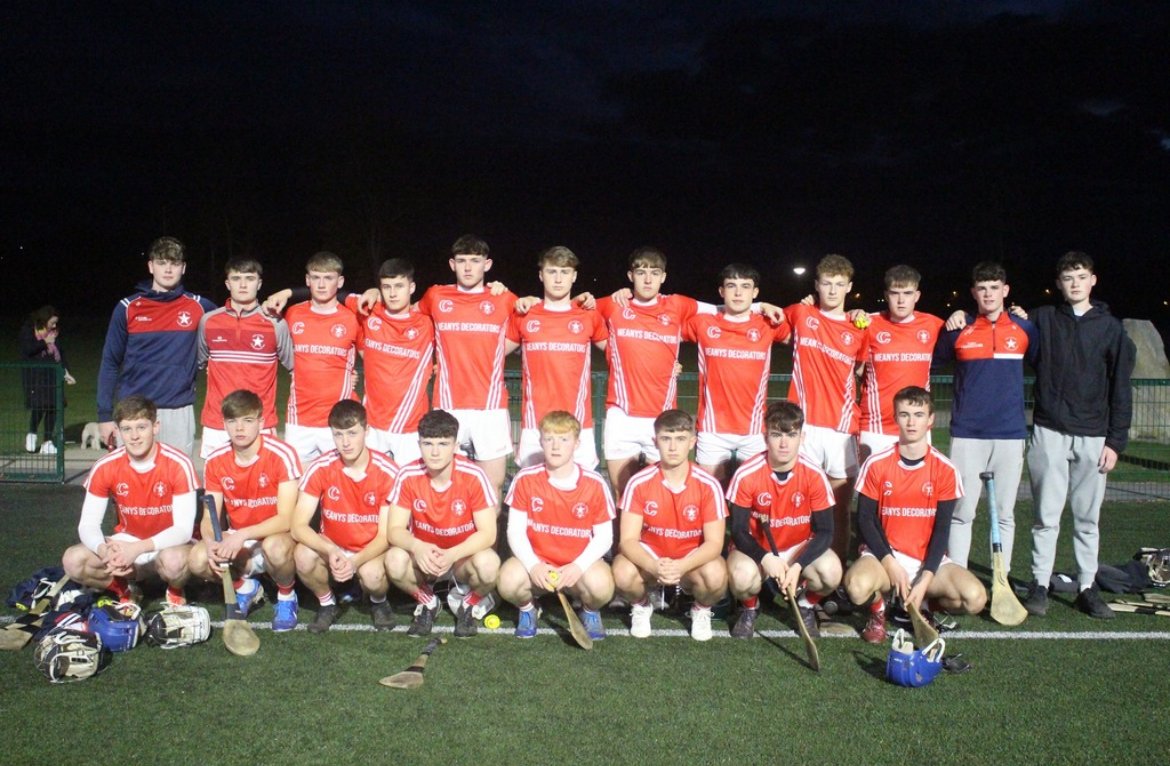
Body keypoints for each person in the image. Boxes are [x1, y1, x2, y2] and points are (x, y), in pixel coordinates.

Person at [1023, 252, 1135, 619]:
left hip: (1093, 435)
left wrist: (1115, 441)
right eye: (1068, 278)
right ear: (1059, 283)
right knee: (1046, 516)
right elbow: (1006, 327)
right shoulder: (1043, 319)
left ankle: (1087, 587)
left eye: (1081, 276)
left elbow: (1121, 388)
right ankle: (1039, 584)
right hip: (1049, 431)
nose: (1075, 283)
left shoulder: (1111, 328)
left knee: (1087, 519)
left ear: (1093, 280)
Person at [844, 386, 987, 643]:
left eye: (919, 415)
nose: (911, 422)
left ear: (930, 419)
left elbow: (942, 529)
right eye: (905, 414)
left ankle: (923, 607)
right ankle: (879, 610)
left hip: (926, 561)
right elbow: (865, 520)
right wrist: (891, 563)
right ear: (895, 418)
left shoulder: (945, 469)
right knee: (856, 587)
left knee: (975, 598)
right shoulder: (876, 464)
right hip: (885, 558)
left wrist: (925, 577)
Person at [934, 261, 1038, 576]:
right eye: (982, 288)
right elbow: (928, 365)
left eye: (994, 288)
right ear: (973, 292)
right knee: (962, 512)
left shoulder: (1024, 329)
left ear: (1005, 291)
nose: (989, 294)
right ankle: (958, 579)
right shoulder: (958, 329)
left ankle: (1001, 579)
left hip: (1010, 434)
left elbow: (1046, 366)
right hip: (967, 434)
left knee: (1004, 514)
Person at [61, 395, 197, 606]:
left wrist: (137, 549)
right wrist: (104, 550)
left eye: (141, 427)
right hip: (128, 541)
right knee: (73, 560)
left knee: (174, 562)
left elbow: (183, 530)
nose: (134, 436)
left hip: (168, 544)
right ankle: (124, 590)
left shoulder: (178, 463)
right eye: (126, 429)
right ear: (117, 431)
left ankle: (175, 588)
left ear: (155, 427)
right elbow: (88, 524)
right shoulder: (105, 466)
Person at [594, 247, 706, 497]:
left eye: (654, 273)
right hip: (622, 416)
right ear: (630, 276)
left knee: (664, 492)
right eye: (641, 272)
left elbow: (720, 310)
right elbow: (569, 309)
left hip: (662, 417)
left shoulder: (676, 305)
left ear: (663, 277)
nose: (647, 279)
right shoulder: (614, 304)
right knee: (623, 493)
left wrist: (760, 306)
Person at [189, 390, 303, 631]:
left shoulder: (282, 454)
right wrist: (210, 542)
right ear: (224, 424)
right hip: (240, 539)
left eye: (247, 420)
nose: (239, 428)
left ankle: (286, 595)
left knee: (275, 547)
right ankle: (246, 587)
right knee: (198, 559)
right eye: (232, 421)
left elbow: (286, 519)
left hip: (275, 536)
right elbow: (209, 516)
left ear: (261, 422)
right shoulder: (216, 459)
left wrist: (242, 535)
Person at [726, 401, 840, 639]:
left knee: (831, 572)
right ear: (765, 437)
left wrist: (798, 565)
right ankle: (750, 607)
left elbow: (826, 531)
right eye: (777, 435)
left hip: (797, 547)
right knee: (741, 576)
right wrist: (766, 558)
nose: (784, 443)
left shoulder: (814, 474)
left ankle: (806, 605)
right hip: (757, 549)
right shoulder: (747, 474)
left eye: (791, 435)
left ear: (802, 437)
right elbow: (738, 530)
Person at [416, 235, 518, 498]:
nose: (468, 267)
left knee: (491, 488)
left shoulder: (504, 298)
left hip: (490, 408)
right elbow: (403, 313)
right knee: (445, 486)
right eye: (462, 261)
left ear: (487, 264)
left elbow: (537, 318)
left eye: (475, 260)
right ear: (452, 264)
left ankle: (487, 529)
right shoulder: (436, 296)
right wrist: (372, 294)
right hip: (448, 404)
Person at [499, 411, 616, 639]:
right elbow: (515, 531)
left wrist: (577, 566)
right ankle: (528, 608)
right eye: (549, 438)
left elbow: (604, 537)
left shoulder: (594, 483)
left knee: (602, 586)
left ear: (576, 443)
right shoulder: (525, 478)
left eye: (563, 439)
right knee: (508, 581)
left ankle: (589, 611)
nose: (555, 446)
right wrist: (534, 565)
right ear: (541, 441)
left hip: (577, 569)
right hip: (539, 566)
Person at [613, 409, 728, 641]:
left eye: (680, 439)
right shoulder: (639, 482)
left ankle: (700, 609)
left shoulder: (709, 485)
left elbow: (715, 543)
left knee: (716, 575)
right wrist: (653, 566)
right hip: (652, 556)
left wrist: (682, 566)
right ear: (655, 442)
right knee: (622, 572)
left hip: (690, 557)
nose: (673, 447)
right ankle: (641, 605)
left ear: (692, 442)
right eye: (666, 439)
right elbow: (627, 540)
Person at [97, 237, 217, 456]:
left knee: (178, 475)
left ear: (183, 268)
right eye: (162, 263)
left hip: (178, 409)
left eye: (174, 263)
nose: (168, 269)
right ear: (151, 266)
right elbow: (110, 363)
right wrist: (104, 415)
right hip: (134, 411)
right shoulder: (127, 308)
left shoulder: (200, 307)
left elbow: (232, 323)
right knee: (134, 476)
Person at [385, 410, 500, 638]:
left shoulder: (474, 475)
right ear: (419, 444)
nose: (435, 452)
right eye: (428, 444)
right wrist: (418, 547)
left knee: (489, 564)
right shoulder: (407, 475)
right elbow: (394, 531)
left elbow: (488, 534)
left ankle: (469, 604)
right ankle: (428, 602)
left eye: (443, 444)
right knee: (394, 560)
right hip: (424, 558)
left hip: (461, 559)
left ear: (455, 446)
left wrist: (452, 554)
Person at [783, 254, 866, 559]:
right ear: (816, 285)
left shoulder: (860, 327)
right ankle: (799, 569)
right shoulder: (800, 313)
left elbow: (862, 370)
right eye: (827, 283)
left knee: (839, 508)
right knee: (798, 504)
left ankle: (836, 571)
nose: (832, 290)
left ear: (849, 287)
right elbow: (763, 320)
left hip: (841, 430)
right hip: (803, 427)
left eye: (839, 284)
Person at [291, 400, 398, 634]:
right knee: (303, 555)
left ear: (366, 431)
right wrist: (330, 550)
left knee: (372, 575)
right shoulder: (321, 466)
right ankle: (327, 602)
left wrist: (354, 562)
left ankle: (378, 601)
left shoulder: (387, 471)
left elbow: (385, 536)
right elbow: (298, 526)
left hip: (371, 549)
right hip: (333, 546)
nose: (345, 442)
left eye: (352, 433)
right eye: (338, 434)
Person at [684, 264, 790, 486]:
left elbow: (809, 335)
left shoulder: (769, 324)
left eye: (745, 287)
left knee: (754, 497)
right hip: (712, 430)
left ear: (755, 292)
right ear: (721, 291)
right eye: (732, 286)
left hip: (754, 430)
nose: (739, 293)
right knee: (712, 496)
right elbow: (661, 332)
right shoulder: (703, 323)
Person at [506, 245, 608, 469]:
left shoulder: (588, 315)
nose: (559, 279)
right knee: (533, 485)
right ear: (541, 275)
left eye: (565, 272)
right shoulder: (525, 314)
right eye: (552, 272)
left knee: (581, 484)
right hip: (534, 423)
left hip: (578, 422)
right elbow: (491, 353)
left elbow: (620, 354)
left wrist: (669, 364)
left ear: (574, 276)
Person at [197, 257, 294, 459]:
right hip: (218, 423)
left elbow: (295, 368)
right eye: (236, 278)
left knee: (263, 480)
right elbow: (198, 364)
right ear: (227, 283)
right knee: (215, 480)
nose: (242, 285)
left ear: (259, 283)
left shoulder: (275, 323)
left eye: (249, 278)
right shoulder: (209, 321)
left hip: (260, 422)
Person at [857, 265, 945, 461]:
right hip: (875, 427)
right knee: (871, 481)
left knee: (916, 480)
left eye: (907, 293)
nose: (901, 300)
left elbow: (967, 334)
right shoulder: (869, 323)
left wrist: (960, 314)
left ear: (917, 295)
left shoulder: (934, 325)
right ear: (886, 295)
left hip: (917, 427)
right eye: (895, 293)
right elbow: (856, 366)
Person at [354, 258, 435, 466]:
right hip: (372, 424)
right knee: (371, 483)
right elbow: (334, 295)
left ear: (412, 287)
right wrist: (289, 293)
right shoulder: (369, 312)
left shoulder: (427, 323)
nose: (392, 293)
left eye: (399, 286)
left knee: (409, 483)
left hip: (410, 427)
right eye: (386, 287)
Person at [284, 252, 362, 464]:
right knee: (296, 479)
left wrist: (353, 375)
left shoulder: (352, 318)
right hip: (298, 419)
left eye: (328, 278)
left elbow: (373, 358)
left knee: (341, 479)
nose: (321, 284)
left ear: (340, 281)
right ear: (307, 280)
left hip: (339, 419)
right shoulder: (293, 314)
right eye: (316, 277)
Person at [19, 305, 75, 454]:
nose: (54, 326)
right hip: (36, 376)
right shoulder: (29, 330)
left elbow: (60, 353)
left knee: (54, 407)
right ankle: (32, 434)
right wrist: (45, 342)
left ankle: (47, 442)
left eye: (56, 323)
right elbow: (28, 350)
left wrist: (66, 372)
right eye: (52, 322)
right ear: (44, 320)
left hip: (53, 375)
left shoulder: (54, 333)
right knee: (39, 406)